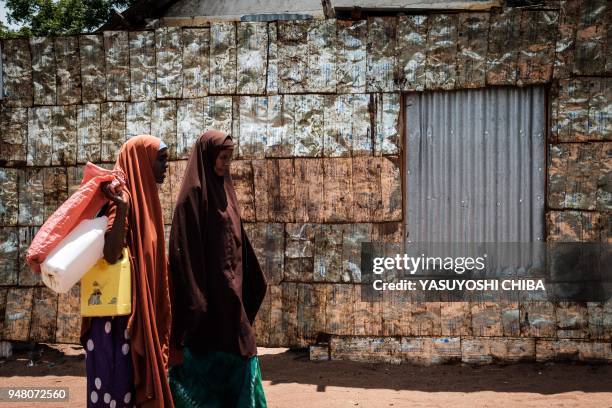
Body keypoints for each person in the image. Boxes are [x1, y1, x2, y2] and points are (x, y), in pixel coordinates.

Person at [168, 130, 268, 407]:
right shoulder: (191, 198)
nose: (226, 164)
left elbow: (237, 242)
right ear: (207, 156)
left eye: (229, 158)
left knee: (243, 356)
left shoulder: (225, 190)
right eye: (222, 158)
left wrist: (250, 284)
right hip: (206, 304)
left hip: (231, 298)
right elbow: (183, 254)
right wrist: (196, 303)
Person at [80, 135, 174, 408]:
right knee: (116, 391)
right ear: (142, 162)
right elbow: (111, 253)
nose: (165, 167)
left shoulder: (147, 199)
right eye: (161, 160)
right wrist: (121, 207)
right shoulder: (117, 196)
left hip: (132, 315)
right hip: (115, 320)